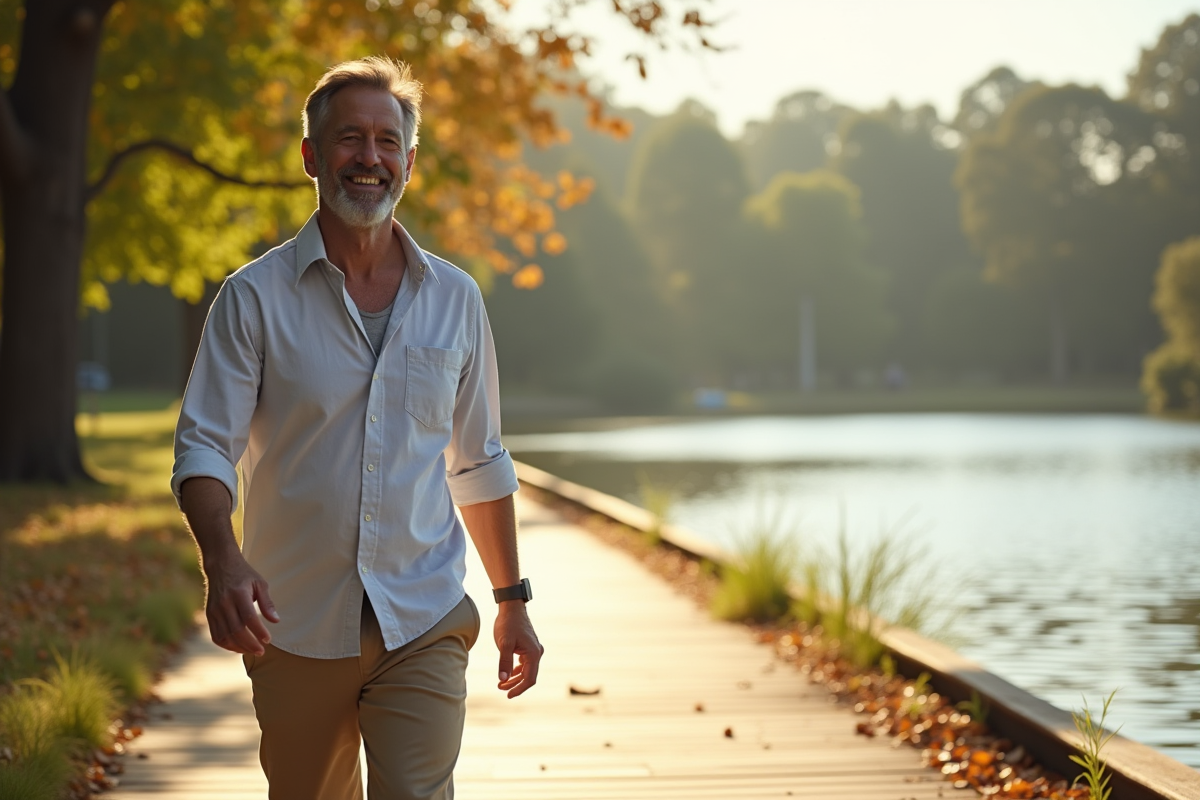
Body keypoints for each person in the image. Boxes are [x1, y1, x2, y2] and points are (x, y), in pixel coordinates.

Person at [171, 56, 542, 800]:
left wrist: (511, 602)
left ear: (408, 160)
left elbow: (479, 460)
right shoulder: (252, 299)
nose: (368, 158)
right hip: (296, 622)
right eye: (348, 139)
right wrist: (224, 562)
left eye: (385, 141)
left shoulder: (456, 300)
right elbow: (205, 446)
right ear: (312, 155)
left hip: (424, 617)